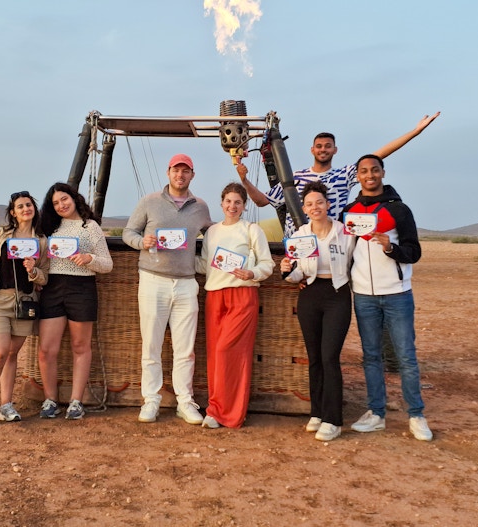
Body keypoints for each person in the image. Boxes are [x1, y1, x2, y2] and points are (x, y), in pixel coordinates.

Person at [343, 154, 432, 442]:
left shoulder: (399, 210)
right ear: (357, 176)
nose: (369, 175)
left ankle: (416, 415)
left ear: (383, 172)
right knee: (371, 357)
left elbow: (414, 252)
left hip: (396, 294)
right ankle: (376, 413)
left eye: (375, 170)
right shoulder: (350, 211)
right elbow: (346, 251)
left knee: (406, 356)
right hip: (363, 296)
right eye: (364, 171)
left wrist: (391, 247)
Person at [235, 113, 441, 236]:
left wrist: (415, 132)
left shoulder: (344, 175)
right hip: (297, 245)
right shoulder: (294, 177)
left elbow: (377, 155)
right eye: (319, 146)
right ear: (312, 150)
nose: (323, 149)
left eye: (327, 146)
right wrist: (245, 180)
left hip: (331, 242)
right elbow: (263, 201)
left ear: (335, 150)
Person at [123, 154, 213, 425]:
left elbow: (213, 237)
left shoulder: (201, 207)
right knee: (151, 345)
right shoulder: (150, 202)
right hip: (153, 279)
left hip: (186, 283)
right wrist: (143, 242)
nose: (180, 175)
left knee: (185, 349)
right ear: (168, 172)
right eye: (176, 170)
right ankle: (151, 399)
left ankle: (185, 401)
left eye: (186, 171)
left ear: (192, 175)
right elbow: (129, 233)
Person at [280, 181, 356, 442]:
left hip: (338, 295)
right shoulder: (301, 235)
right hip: (310, 295)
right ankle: (317, 412)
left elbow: (357, 262)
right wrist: (288, 271)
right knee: (314, 357)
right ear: (304, 208)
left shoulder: (345, 232)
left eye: (320, 202)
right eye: (310, 204)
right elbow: (299, 273)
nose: (315, 207)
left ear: (328, 204)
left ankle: (333, 419)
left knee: (329, 357)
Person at [195, 182, 274, 429]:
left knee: (229, 352)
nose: (232, 206)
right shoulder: (212, 232)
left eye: (237, 202)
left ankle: (229, 412)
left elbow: (267, 265)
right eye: (228, 201)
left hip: (242, 296)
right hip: (215, 296)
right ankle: (215, 410)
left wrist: (252, 274)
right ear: (221, 203)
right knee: (215, 356)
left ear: (244, 206)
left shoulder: (252, 230)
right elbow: (204, 265)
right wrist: (175, 254)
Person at [36, 182, 113, 420]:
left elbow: (107, 264)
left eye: (64, 199)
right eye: (56, 203)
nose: (61, 205)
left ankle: (76, 402)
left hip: (82, 288)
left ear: (74, 197)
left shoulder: (90, 227)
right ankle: (50, 400)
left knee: (81, 347)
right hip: (53, 288)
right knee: (47, 349)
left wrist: (89, 258)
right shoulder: (49, 227)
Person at [0, 191, 49, 426]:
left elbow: (44, 277)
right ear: (13, 212)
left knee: (12, 354)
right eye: (20, 206)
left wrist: (33, 270)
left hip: (25, 303)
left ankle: (6, 405)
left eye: (29, 205)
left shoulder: (41, 241)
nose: (26, 209)